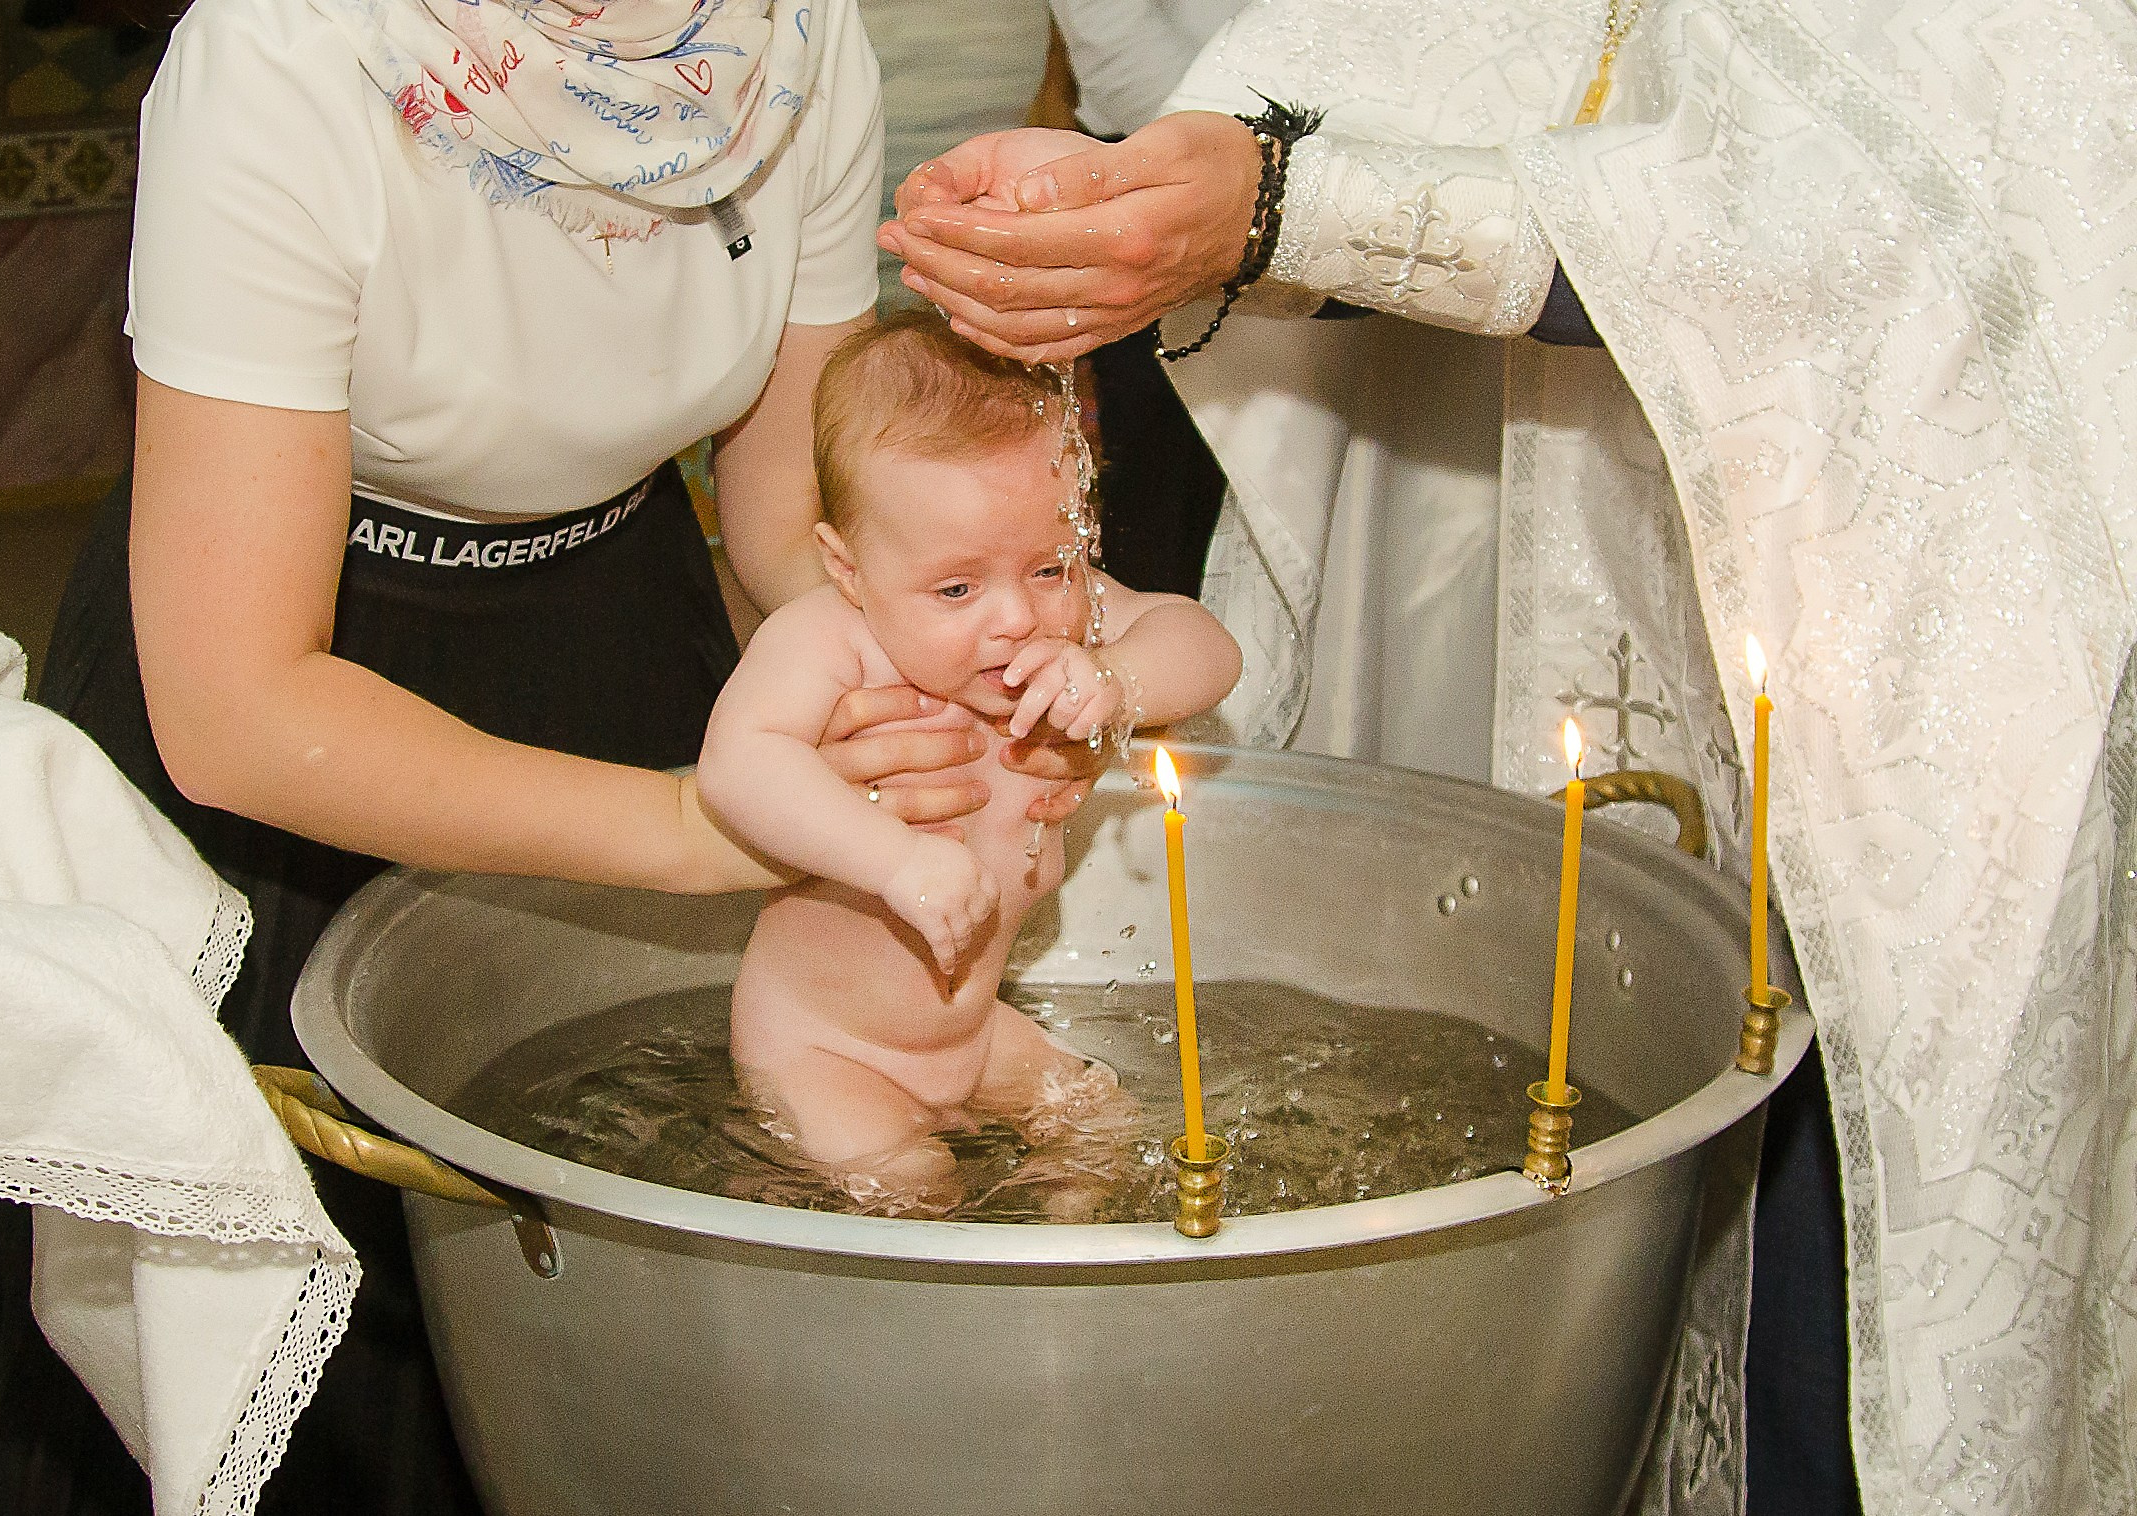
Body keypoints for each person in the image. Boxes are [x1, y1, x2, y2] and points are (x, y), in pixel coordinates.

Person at [876, 3, 2137, 1515]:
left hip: (1921, 600)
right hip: (1538, 501)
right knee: (1563, 1182)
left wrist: (1283, 204)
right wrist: (1150, 191)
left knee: (1852, 1252)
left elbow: (1898, 209)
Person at [0, 1, 1092, 1512]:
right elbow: (241, 713)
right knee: (302, 1375)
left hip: (623, 629)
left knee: (619, 1349)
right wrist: (699, 824)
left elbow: (776, 515)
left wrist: (939, 694)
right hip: (297, 668)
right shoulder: (286, 53)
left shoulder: (796, 37)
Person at [696, 313, 1240, 1207]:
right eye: (956, 588)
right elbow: (738, 765)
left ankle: (1067, 1276)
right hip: (827, 1048)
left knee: (1108, 1126)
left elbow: (1208, 648)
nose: (1016, 618)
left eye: (1051, 568)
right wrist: (895, 861)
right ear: (848, 566)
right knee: (913, 1187)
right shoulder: (837, 642)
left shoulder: (1069, 627)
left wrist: (1115, 677)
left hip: (973, 1033)